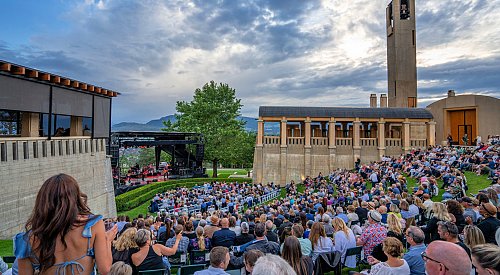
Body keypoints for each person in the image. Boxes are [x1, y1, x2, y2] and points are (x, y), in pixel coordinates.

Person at [15, 174, 118, 275]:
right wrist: (107, 240)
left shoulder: (29, 239)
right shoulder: (94, 225)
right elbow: (105, 269)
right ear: (75, 196)